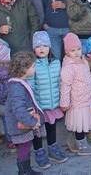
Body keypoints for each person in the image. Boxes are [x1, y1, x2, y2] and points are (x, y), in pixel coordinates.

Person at [30, 31, 68, 169]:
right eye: (38, 46)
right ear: (34, 48)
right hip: (39, 106)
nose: (42, 49)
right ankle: (39, 152)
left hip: (53, 104)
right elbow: (30, 86)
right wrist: (32, 105)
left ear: (49, 47)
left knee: (51, 127)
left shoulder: (56, 62)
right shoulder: (32, 65)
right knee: (37, 131)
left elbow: (60, 81)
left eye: (45, 46)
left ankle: (53, 148)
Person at [59, 33, 91, 157]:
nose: (76, 52)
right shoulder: (68, 67)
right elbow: (65, 86)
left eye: (78, 49)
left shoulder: (83, 61)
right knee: (79, 124)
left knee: (81, 123)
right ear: (67, 52)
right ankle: (82, 146)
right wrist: (65, 103)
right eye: (72, 50)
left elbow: (87, 76)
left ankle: (73, 142)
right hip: (77, 102)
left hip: (87, 98)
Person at [5, 51, 47, 175]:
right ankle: (24, 172)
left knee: (26, 147)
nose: (34, 69)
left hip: (22, 124)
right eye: (32, 67)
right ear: (24, 69)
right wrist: (32, 122)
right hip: (20, 125)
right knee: (24, 148)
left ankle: (26, 170)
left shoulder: (18, 83)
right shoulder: (17, 87)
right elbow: (18, 109)